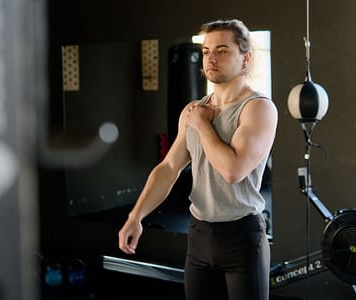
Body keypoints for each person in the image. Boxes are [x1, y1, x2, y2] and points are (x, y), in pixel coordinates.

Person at [118, 19, 278, 300]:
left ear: (246, 58)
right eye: (206, 51)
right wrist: (136, 216)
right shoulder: (193, 111)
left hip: (241, 238)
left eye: (222, 50)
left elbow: (232, 170)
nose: (211, 58)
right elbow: (168, 168)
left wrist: (203, 125)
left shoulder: (258, 109)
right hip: (200, 236)